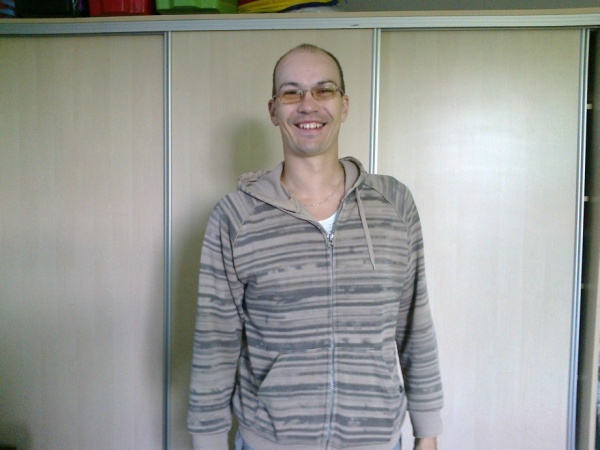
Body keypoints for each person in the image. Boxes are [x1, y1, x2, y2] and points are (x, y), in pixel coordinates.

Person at [188, 44, 443, 450]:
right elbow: (215, 344)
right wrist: (208, 442)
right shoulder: (235, 216)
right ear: (274, 110)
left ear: (344, 105)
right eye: (292, 92)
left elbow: (415, 325)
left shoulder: (394, 204)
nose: (308, 105)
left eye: (324, 90)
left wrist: (427, 432)